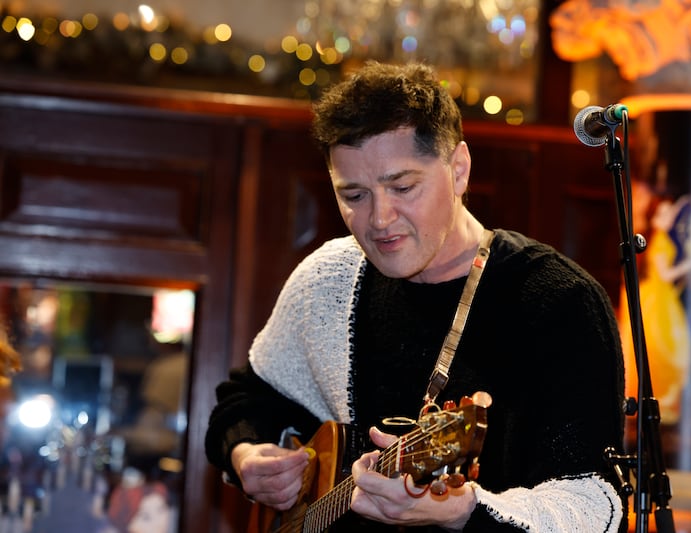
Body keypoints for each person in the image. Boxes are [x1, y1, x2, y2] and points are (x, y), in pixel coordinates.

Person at [205, 61, 627, 532]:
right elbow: (244, 400)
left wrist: (466, 512)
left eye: (402, 187)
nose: (380, 218)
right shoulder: (329, 280)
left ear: (459, 170)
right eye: (354, 196)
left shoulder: (558, 301)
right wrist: (247, 457)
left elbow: (592, 506)